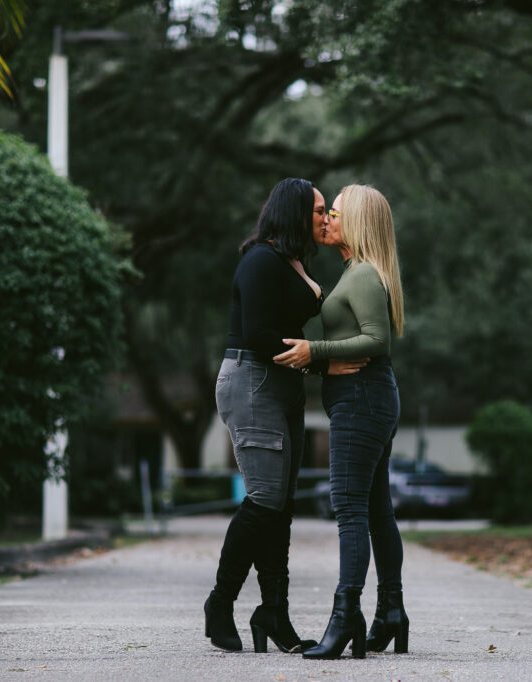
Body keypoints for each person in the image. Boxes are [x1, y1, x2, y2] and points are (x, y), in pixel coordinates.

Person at [205, 178, 366, 654]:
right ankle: (220, 602)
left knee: (281, 505)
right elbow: (257, 333)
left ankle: (274, 612)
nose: (325, 217)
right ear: (294, 213)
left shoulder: (295, 261)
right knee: (264, 499)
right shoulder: (260, 259)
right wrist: (322, 360)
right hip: (252, 379)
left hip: (284, 386)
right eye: (318, 210)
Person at [274, 184, 408, 660]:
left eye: (333, 212)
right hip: (365, 399)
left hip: (363, 399)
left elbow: (376, 340)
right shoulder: (355, 272)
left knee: (350, 508)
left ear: (356, 222)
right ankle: (391, 611)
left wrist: (317, 351)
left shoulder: (366, 275)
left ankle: (346, 614)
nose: (325, 219)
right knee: (375, 509)